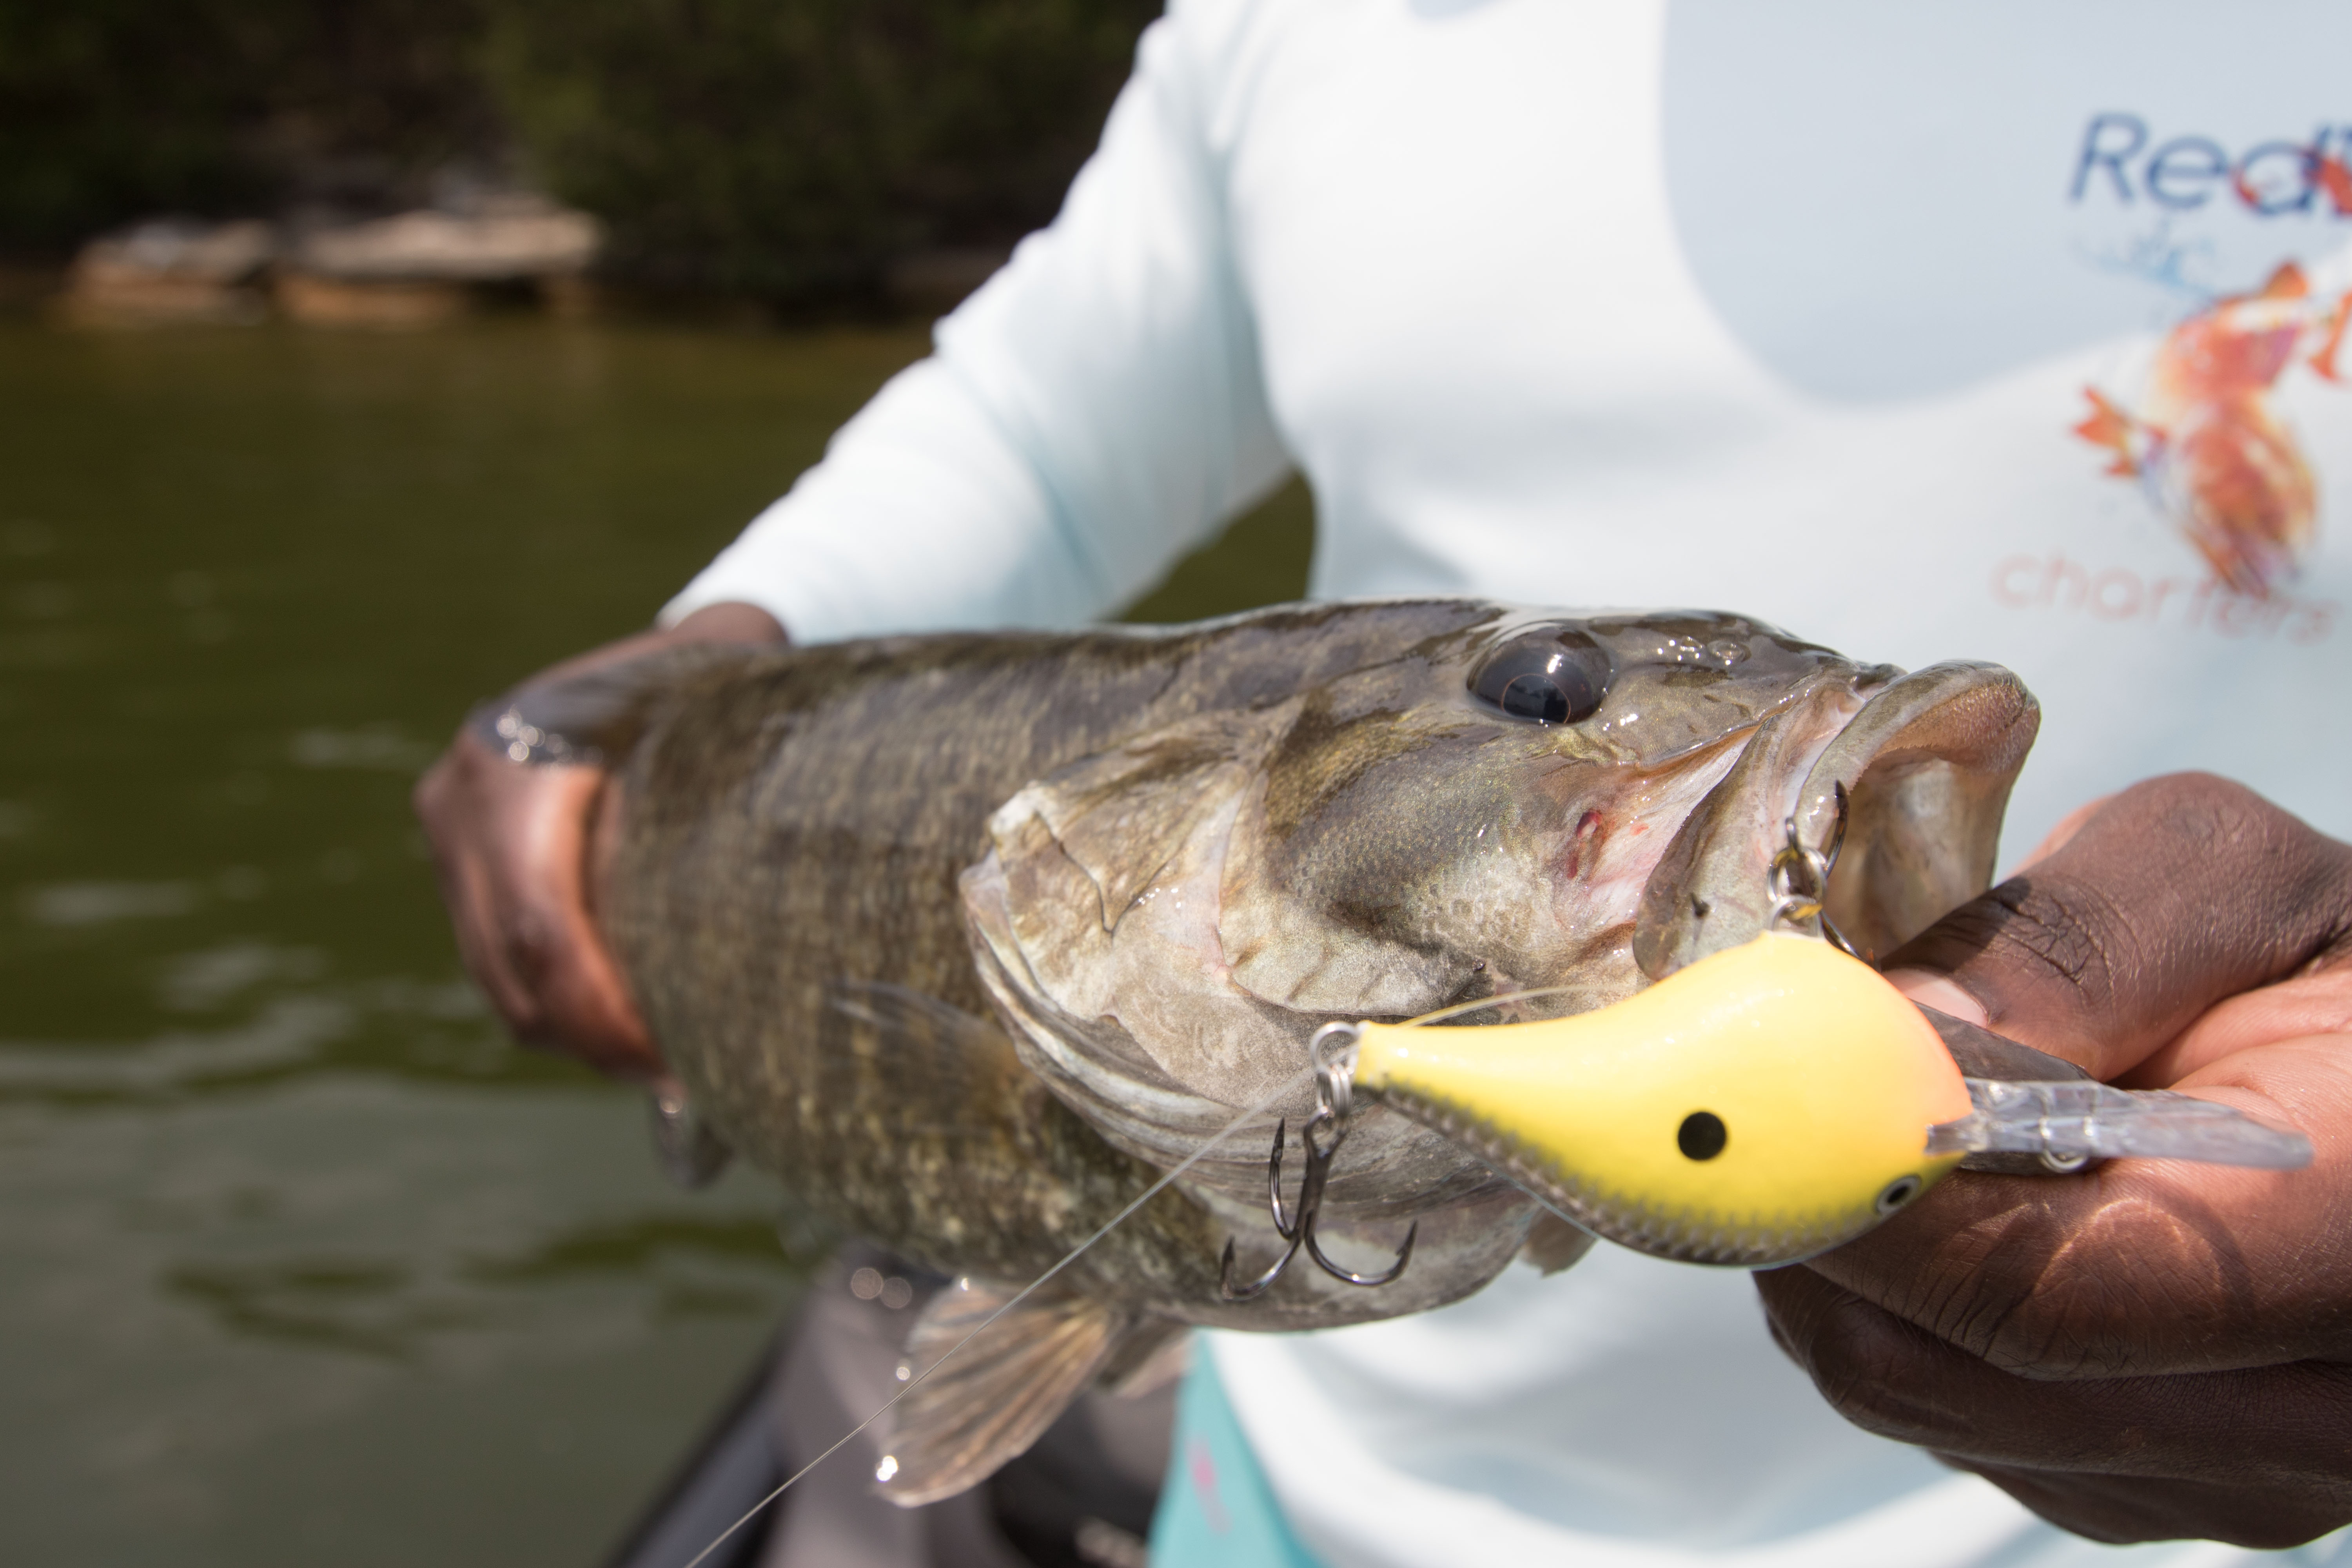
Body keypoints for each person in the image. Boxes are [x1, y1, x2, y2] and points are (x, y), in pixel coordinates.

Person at [417, 3, 2352, 1563]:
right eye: (1549, 693)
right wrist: (691, 670)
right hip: (1300, 1509)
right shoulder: (1323, 30)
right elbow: (1033, 430)